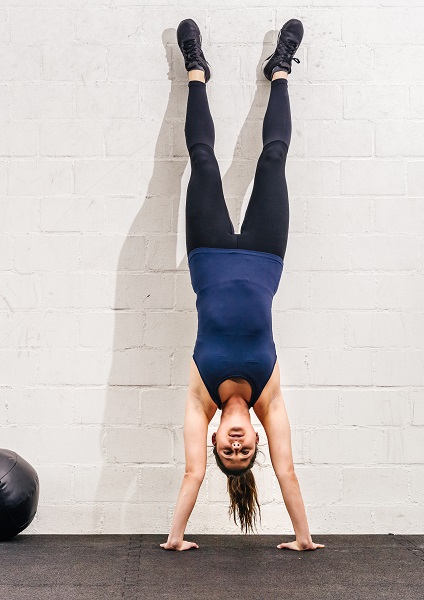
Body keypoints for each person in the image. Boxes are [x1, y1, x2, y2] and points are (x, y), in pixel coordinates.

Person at [160, 18, 324, 552]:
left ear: (215, 440)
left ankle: (195, 69)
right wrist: (302, 538)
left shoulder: (199, 398)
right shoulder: (270, 399)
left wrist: (175, 538)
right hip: (264, 255)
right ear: (254, 438)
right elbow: (289, 473)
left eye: (226, 452)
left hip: (207, 255)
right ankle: (280, 70)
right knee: (274, 159)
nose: (234, 445)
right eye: (243, 450)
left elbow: (191, 475)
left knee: (202, 161)